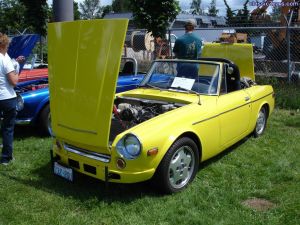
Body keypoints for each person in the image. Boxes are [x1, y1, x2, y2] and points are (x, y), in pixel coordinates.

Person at [0, 33, 24, 165]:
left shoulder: (7, 58)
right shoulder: (4, 60)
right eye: (7, 45)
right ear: (4, 45)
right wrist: (16, 67)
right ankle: (6, 157)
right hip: (6, 98)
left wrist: (14, 61)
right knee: (7, 128)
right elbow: (14, 81)